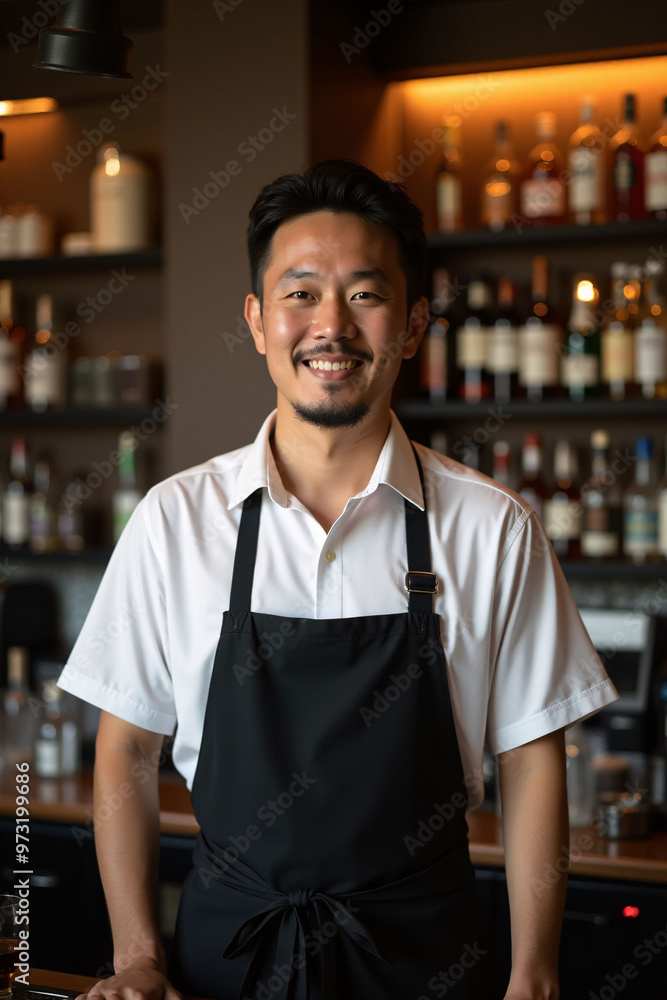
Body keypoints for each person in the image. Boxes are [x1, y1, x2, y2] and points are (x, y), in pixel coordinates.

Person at [59, 159, 619, 1000]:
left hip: (430, 961)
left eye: (364, 294)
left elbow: (533, 760)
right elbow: (127, 751)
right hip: (227, 964)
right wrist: (136, 956)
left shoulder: (491, 526)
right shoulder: (176, 522)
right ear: (255, 320)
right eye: (299, 294)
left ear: (415, 321)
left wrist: (532, 978)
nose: (331, 326)